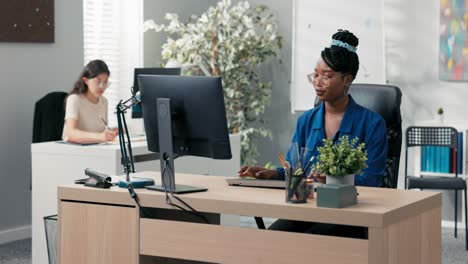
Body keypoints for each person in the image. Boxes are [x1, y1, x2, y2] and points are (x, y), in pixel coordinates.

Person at [238, 30, 388, 237]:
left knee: (307, 246)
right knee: (268, 241)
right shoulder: (306, 121)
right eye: (315, 75)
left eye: (327, 76)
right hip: (306, 209)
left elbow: (373, 181)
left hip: (350, 215)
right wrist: (274, 174)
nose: (318, 82)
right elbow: (297, 169)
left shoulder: (372, 124)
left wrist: (334, 180)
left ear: (347, 80)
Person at [63, 59, 118, 144]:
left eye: (105, 82)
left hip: (96, 147)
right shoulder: (74, 99)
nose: (102, 86)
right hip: (74, 149)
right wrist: (101, 136)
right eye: (98, 81)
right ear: (86, 80)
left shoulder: (104, 101)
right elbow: (70, 133)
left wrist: (110, 132)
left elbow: (99, 131)